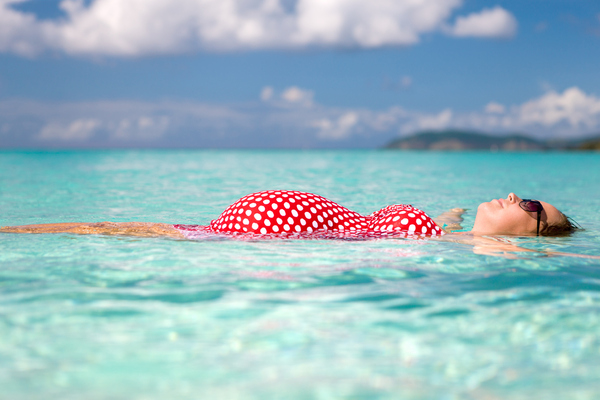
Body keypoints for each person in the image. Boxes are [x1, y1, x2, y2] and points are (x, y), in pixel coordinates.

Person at [0, 190, 580, 243]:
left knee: (107, 231)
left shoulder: (441, 250)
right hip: (255, 225)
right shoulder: (445, 236)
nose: (515, 197)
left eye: (530, 206)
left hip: (253, 236)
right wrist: (450, 215)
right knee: (107, 230)